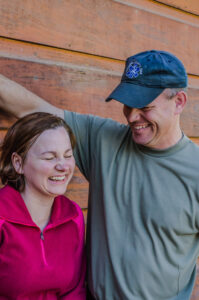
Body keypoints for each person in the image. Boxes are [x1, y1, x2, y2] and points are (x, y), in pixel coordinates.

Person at [0, 49, 198, 300]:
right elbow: (31, 110)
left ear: (179, 102)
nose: (132, 117)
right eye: (128, 104)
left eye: (144, 107)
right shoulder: (103, 139)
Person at [0, 112, 86, 299]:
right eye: (49, 158)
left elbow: (75, 290)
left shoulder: (74, 216)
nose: (63, 166)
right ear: (18, 163)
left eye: (67, 155)